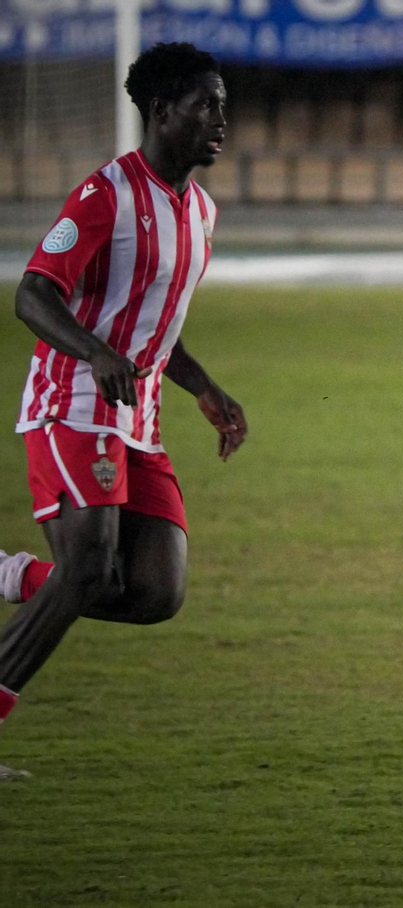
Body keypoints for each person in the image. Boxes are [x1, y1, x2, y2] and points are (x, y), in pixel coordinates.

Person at [0, 42, 247, 782]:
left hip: (137, 421)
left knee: (154, 592)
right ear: (162, 111)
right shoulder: (105, 194)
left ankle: (13, 576)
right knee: (85, 570)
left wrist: (205, 386)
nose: (220, 120)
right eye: (206, 105)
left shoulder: (200, 211)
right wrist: (93, 353)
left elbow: (154, 327)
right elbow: (33, 292)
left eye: (224, 106)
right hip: (72, 404)